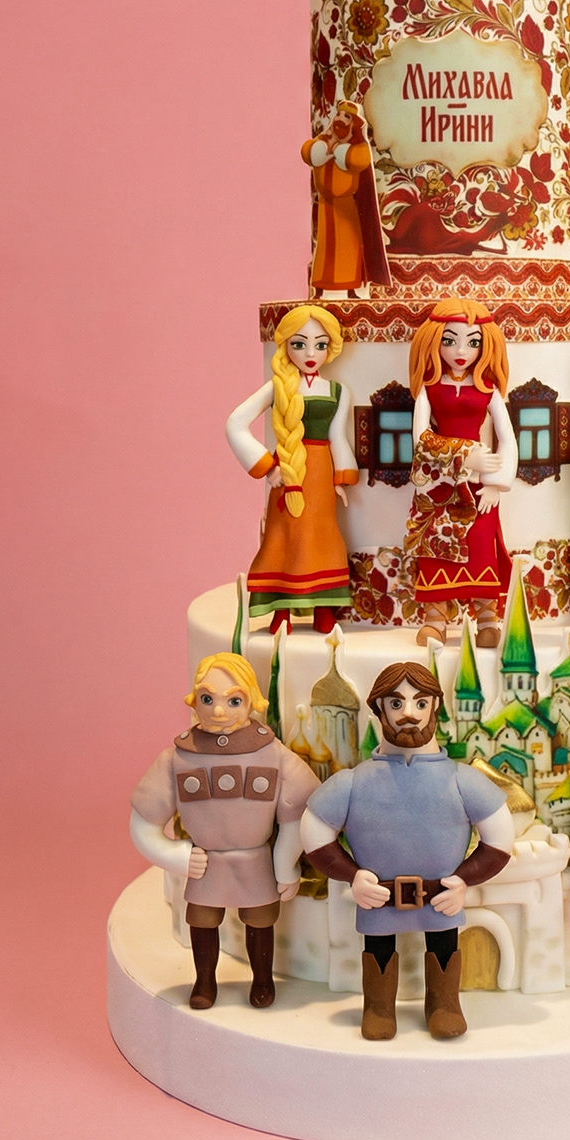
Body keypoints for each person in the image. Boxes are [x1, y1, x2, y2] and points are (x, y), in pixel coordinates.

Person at [299, 662, 514, 1040]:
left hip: (441, 897)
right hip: (379, 897)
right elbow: (314, 832)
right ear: (379, 710)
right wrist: (353, 876)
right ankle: (378, 1006)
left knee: (444, 945)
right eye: (396, 703)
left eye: (420, 702)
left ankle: (444, 1004)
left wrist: (463, 880)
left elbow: (500, 839)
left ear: (436, 707)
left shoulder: (461, 780)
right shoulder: (354, 782)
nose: (409, 714)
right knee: (378, 949)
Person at [129, 652, 319, 1010]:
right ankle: (204, 981)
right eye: (207, 698)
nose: (218, 710)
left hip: (255, 861)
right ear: (193, 700)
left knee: (260, 920)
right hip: (205, 863)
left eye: (233, 701)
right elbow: (143, 822)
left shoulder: (272, 753)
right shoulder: (178, 757)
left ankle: (262, 980)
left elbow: (299, 811)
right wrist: (176, 856)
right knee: (202, 920)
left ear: (252, 701)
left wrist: (284, 862)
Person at [226, 304, 358, 633]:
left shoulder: (337, 391)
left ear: (331, 347)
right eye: (300, 344)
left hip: (321, 476)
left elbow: (337, 436)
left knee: (322, 537)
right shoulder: (278, 386)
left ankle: (323, 609)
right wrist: (268, 467)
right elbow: (236, 423)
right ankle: (281, 609)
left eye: (320, 344)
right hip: (288, 472)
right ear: (286, 345)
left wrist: (341, 478)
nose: (311, 354)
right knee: (285, 538)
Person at [404, 297, 517, 648]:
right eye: (450, 341)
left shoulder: (488, 391)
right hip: (439, 484)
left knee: (481, 546)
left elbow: (508, 438)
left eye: (473, 342)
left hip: (479, 489)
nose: (461, 351)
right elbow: (420, 439)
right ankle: (435, 620)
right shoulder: (428, 388)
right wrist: (466, 455)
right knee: (436, 548)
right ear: (433, 342)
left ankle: (487, 618)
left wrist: (497, 485)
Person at [304, 101, 391, 297]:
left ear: (354, 124)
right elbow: (307, 151)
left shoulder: (356, 146)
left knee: (349, 247)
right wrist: (324, 148)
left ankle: (352, 287)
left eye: (347, 117)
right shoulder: (324, 140)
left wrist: (336, 149)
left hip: (346, 205)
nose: (340, 120)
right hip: (325, 205)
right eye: (339, 114)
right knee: (324, 248)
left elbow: (359, 160)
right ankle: (321, 287)